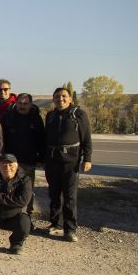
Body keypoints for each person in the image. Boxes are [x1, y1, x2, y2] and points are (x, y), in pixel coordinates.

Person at [43, 86, 92, 242]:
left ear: (70, 98)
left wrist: (87, 159)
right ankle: (55, 224)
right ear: (53, 99)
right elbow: (45, 139)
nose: (60, 99)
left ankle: (70, 229)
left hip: (71, 161)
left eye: (64, 96)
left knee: (70, 196)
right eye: (57, 96)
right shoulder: (50, 116)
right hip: (52, 160)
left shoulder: (78, 114)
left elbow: (86, 138)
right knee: (54, 194)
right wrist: (43, 159)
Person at [1, 93, 44, 214]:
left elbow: (41, 139)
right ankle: (10, 215)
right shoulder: (8, 117)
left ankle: (27, 215)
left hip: (28, 161)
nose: (22, 106)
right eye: (19, 103)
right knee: (9, 189)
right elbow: (1, 138)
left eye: (25, 104)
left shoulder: (36, 119)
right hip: (10, 162)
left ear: (31, 104)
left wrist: (41, 158)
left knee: (27, 190)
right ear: (16, 103)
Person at [0, 153, 33, 254]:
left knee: (25, 222)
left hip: (14, 216)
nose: (7, 168)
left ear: (17, 165)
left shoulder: (25, 180)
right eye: (4, 165)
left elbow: (22, 201)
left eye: (11, 165)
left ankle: (16, 244)